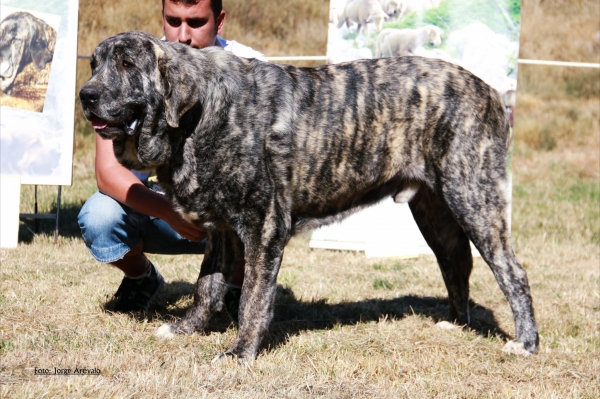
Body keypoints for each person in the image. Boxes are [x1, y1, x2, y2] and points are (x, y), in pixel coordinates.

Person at [78, 0, 265, 317]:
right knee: (99, 216)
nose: (183, 35)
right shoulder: (131, 64)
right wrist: (170, 211)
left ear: (218, 22)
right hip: (159, 214)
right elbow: (108, 174)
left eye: (195, 23)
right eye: (173, 21)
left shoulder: (250, 68)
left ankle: (233, 288)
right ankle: (141, 278)